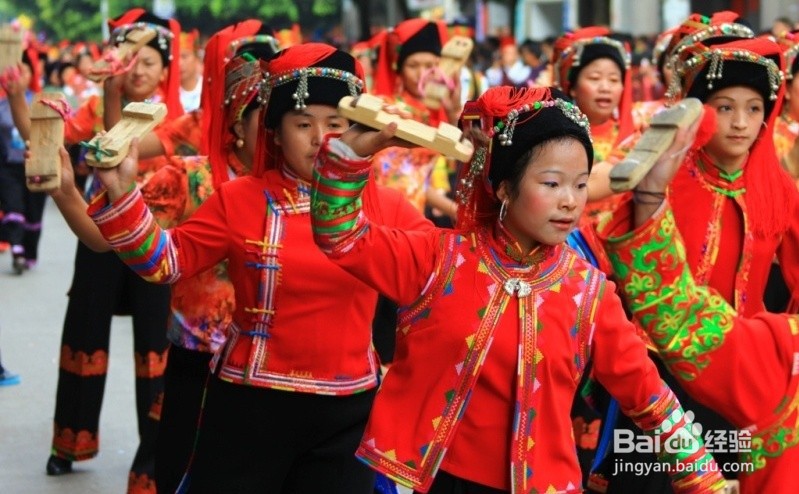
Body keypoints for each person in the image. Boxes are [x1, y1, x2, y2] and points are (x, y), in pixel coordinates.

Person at [308, 84, 725, 493]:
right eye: (551, 184)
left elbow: (649, 394)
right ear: (505, 187)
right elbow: (342, 236)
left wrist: (703, 478)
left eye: (581, 185)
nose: (570, 201)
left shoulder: (588, 293)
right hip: (424, 480)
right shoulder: (440, 258)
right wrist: (350, 155)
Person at [87, 43, 430, 493]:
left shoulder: (385, 207)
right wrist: (122, 191)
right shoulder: (239, 199)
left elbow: (436, 271)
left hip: (348, 409)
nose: (319, 139)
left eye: (336, 125)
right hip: (250, 406)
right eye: (303, 124)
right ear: (275, 131)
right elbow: (165, 262)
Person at [4, 10, 183, 493]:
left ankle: (154, 453)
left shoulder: (180, 118)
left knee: (156, 349)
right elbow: (40, 142)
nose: (137, 70)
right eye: (129, 61)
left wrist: (111, 92)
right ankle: (69, 442)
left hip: (156, 243)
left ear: (166, 69)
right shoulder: (98, 103)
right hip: (98, 233)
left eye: (147, 61)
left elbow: (115, 151)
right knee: (84, 334)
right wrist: (18, 94)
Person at [594, 89, 799, 494]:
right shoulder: (668, 165)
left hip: (740, 360)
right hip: (673, 360)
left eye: (754, 108)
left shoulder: (776, 186)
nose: (740, 122)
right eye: (725, 108)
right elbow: (673, 307)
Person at [0, 44, 44, 273]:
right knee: (13, 205)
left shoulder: (42, 103)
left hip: (35, 165)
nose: (19, 75)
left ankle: (27, 250)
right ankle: (16, 246)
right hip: (9, 166)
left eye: (24, 71)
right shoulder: (1, 105)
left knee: (33, 212)